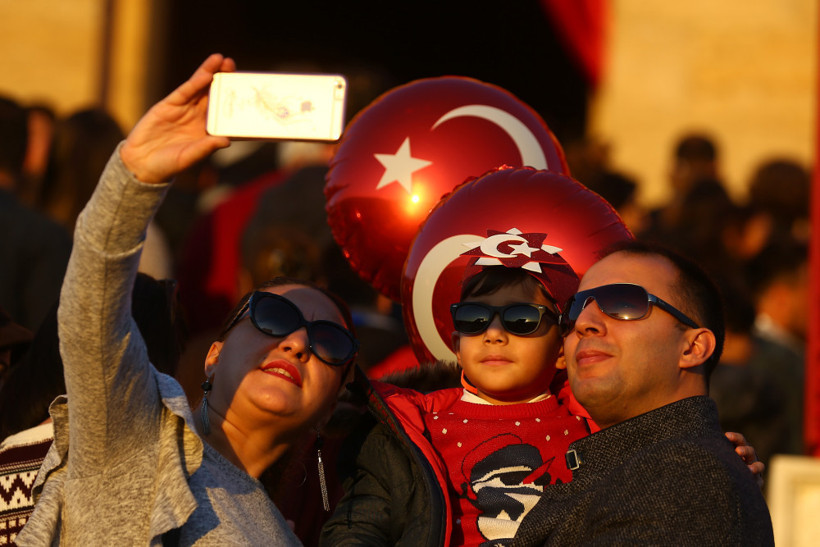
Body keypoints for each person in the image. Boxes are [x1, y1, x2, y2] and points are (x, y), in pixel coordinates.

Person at [17, 54, 360, 546]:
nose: (298, 341)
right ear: (213, 356)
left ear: (330, 407)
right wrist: (135, 175)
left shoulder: (286, 535)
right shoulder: (139, 434)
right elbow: (90, 313)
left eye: (329, 341)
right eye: (273, 316)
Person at [513, 241, 774, 545]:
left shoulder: (685, 475)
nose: (584, 323)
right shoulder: (638, 466)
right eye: (575, 309)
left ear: (692, 347)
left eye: (622, 304)